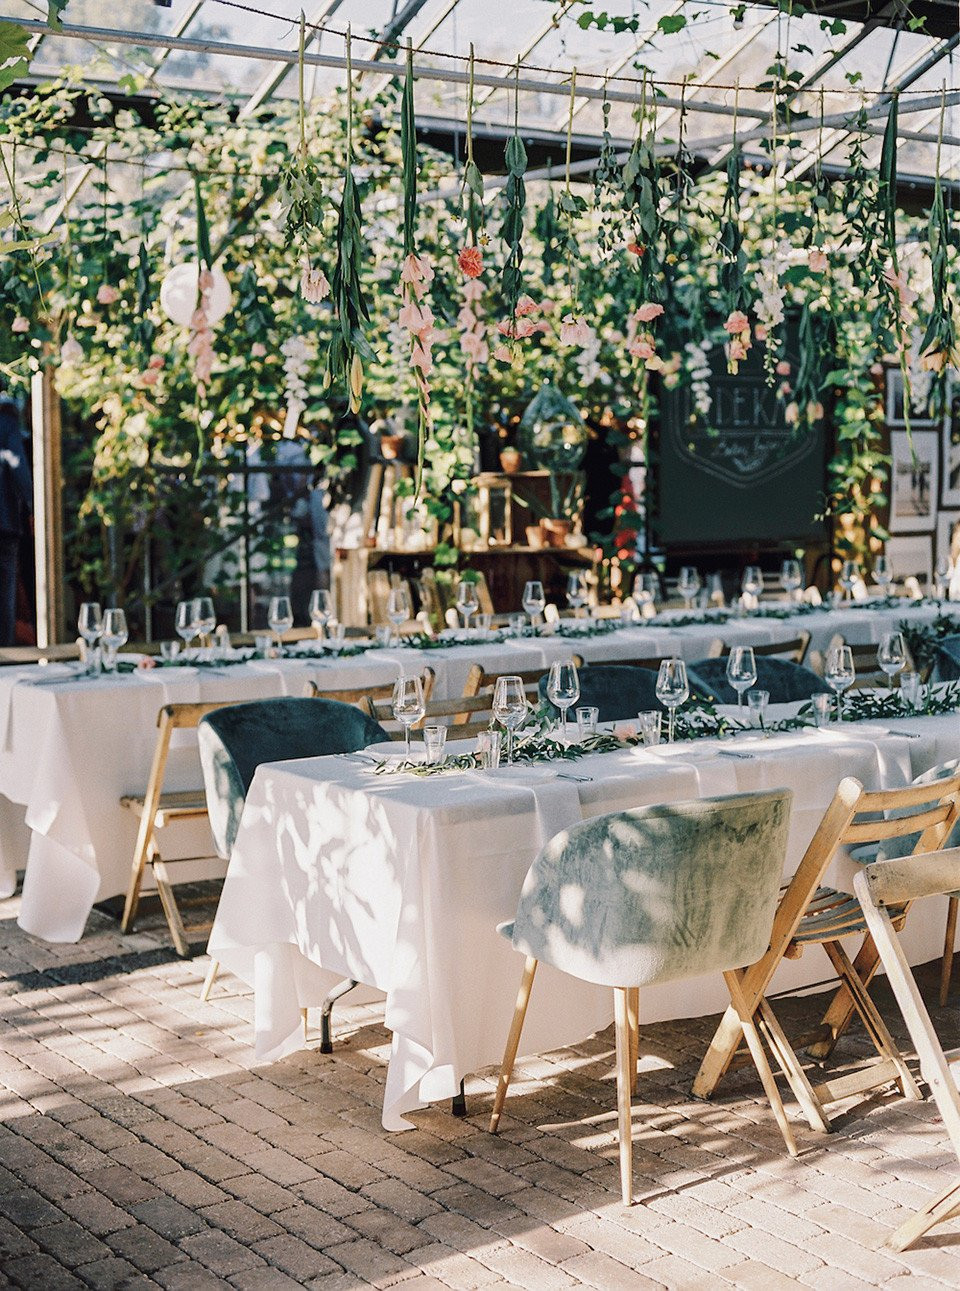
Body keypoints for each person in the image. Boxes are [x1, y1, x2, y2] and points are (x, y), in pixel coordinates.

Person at [0, 396, 32, 647]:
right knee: (4, 596)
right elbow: (18, 467)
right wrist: (34, 507)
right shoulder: (6, 422)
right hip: (4, 521)